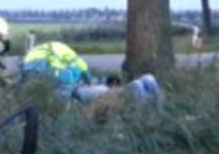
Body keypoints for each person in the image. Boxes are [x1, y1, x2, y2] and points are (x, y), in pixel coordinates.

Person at [22, 41, 163, 107]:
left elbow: (59, 91)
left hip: (77, 91)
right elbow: (81, 68)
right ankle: (146, 84)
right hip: (82, 85)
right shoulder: (57, 51)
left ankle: (135, 89)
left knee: (109, 93)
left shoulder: (35, 68)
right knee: (105, 90)